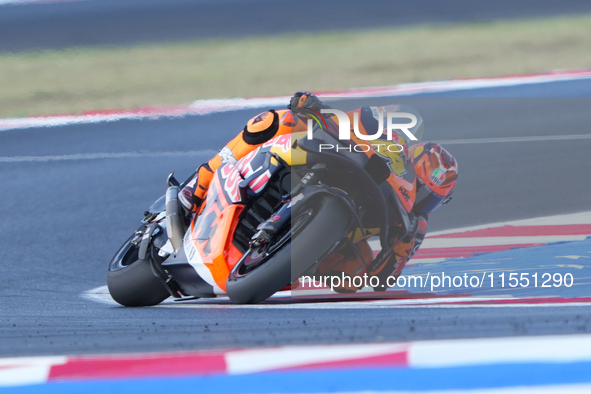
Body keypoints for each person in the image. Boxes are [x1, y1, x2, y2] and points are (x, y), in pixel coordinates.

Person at [179, 92, 458, 292]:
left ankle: (284, 263)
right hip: (331, 161)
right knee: (276, 121)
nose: (424, 202)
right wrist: (312, 107)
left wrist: (394, 257)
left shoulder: (413, 224)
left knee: (353, 278)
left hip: (342, 230)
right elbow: (338, 119)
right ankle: (201, 180)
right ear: (409, 164)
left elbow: (382, 280)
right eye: (424, 191)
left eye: (433, 200)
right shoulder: (386, 143)